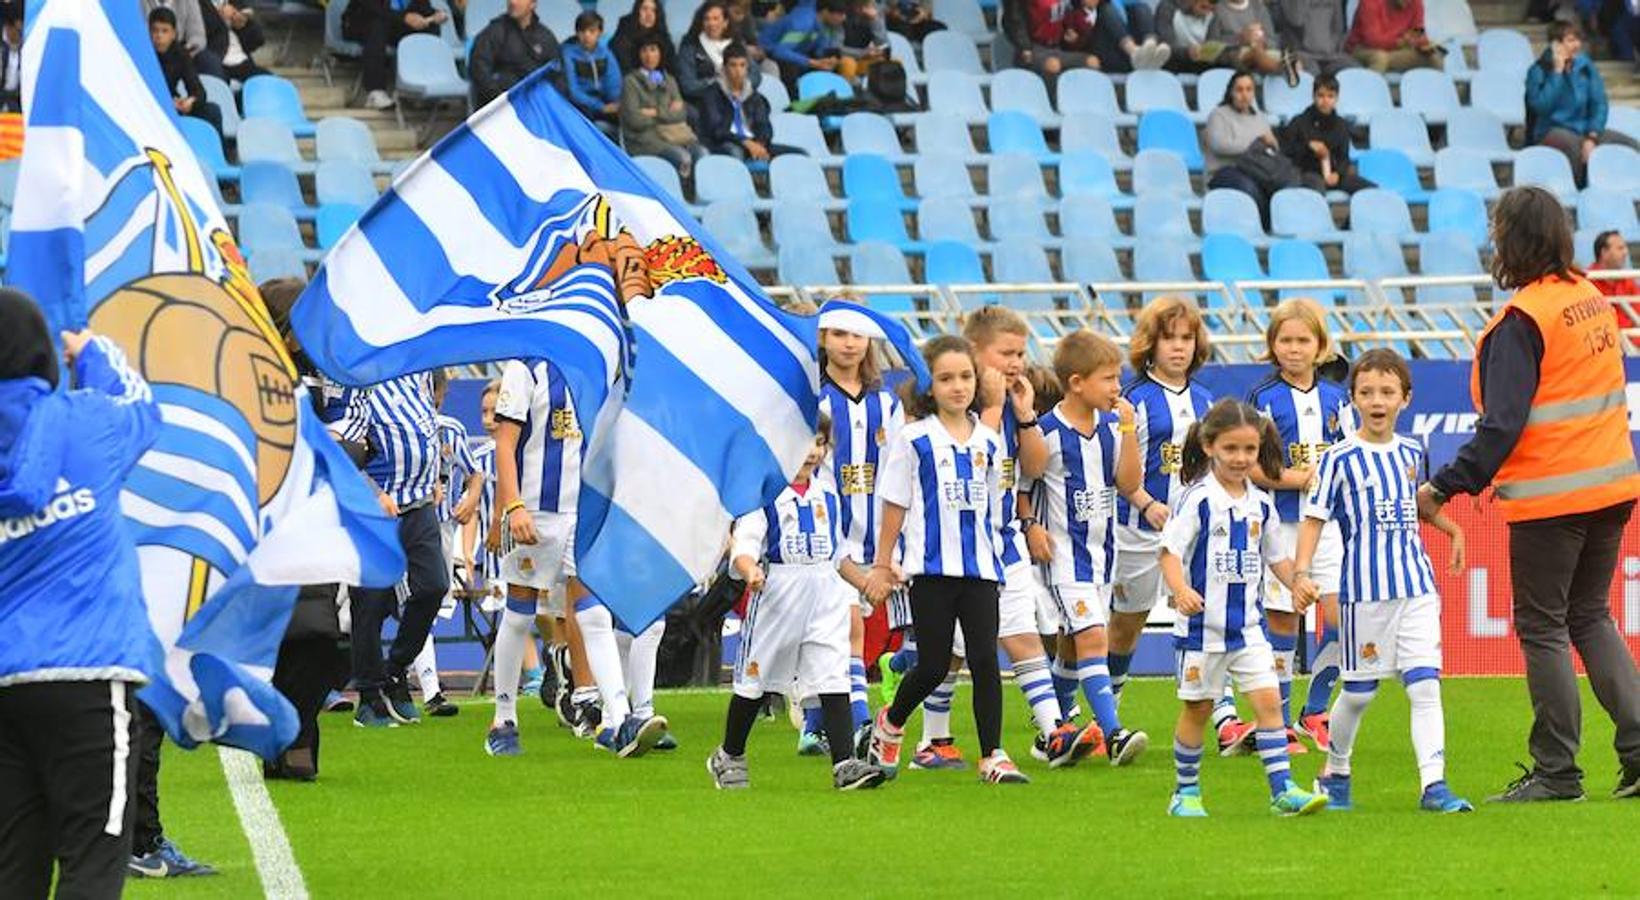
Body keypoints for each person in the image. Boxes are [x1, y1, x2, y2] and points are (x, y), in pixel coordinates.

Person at [1418, 186, 1640, 803]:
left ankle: (1557, 772)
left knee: (1543, 628)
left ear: (1514, 240)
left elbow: (1502, 424)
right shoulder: (1590, 297)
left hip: (1553, 496)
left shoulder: (1522, 320)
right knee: (1591, 617)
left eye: (1498, 230)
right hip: (1612, 485)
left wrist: (1443, 486)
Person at [0, 291, 166, 898]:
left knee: (12, 870)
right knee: (93, 862)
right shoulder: (87, 420)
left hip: (4, 679)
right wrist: (90, 349)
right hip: (90, 671)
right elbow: (143, 407)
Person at [1298, 350, 1475, 814]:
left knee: (1424, 685)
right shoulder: (1338, 458)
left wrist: (1452, 529)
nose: (1377, 401)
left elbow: (1418, 503)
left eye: (1387, 392)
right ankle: (1336, 770)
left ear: (1405, 398)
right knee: (1359, 692)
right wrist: (1301, 572)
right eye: (1367, 392)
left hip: (1416, 586)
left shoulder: (1413, 450)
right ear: (1353, 399)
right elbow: (1314, 519)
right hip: (1363, 594)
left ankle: (1434, 786)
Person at [863, 336, 1030, 785]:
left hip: (980, 571)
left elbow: (996, 506)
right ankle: (891, 721)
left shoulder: (991, 442)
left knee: (985, 659)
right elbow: (894, 503)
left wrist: (1000, 557)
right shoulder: (914, 439)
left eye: (966, 377)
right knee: (934, 664)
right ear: (929, 386)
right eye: (946, 378)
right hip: (931, 572)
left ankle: (993, 755)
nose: (957, 387)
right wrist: (884, 562)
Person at [1158, 399, 1329, 818]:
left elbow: (1277, 557)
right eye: (1231, 449)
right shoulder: (1197, 499)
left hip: (1249, 629)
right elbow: (1169, 551)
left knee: (1269, 703)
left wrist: (1298, 583)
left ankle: (1282, 790)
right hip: (1202, 631)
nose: (1240, 458)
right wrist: (1180, 590)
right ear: (1209, 445)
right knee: (1198, 709)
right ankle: (1186, 792)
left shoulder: (1261, 504)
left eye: (1249, 450)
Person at [708, 417, 892, 791]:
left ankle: (845, 764)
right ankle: (729, 753)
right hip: (779, 595)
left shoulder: (827, 494)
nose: (811, 451)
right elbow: (744, 547)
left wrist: (867, 583)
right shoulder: (763, 495)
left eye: (819, 442)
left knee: (833, 676)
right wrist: (751, 572)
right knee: (753, 683)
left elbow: (838, 554)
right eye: (802, 442)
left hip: (824, 595)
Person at [966, 308, 1093, 770]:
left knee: (1022, 636)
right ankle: (928, 737)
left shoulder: (1015, 407)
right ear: (976, 353)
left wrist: (1023, 416)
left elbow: (1035, 466)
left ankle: (1051, 731)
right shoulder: (961, 404)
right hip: (959, 547)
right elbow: (975, 460)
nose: (1017, 362)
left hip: (1004, 539)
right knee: (951, 656)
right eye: (1006, 353)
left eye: (1021, 352)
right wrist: (996, 407)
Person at [1111, 298, 1240, 739]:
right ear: (1150, 343)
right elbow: (1117, 467)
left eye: (1186, 338)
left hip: (1198, 535)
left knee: (1208, 617)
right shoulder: (1133, 401)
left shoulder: (1208, 401)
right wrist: (1146, 501)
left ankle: (1225, 719)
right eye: (1169, 338)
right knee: (1127, 624)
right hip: (1137, 529)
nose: (1178, 348)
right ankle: (1106, 712)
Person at [1029, 330, 1151, 768]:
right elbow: (1024, 484)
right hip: (1063, 557)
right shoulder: (1046, 431)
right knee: (1094, 639)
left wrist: (1131, 428)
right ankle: (1114, 733)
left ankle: (1053, 733)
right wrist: (1030, 526)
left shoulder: (1111, 428)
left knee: (1071, 649)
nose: (1116, 387)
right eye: (1108, 379)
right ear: (1077, 382)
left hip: (1103, 557)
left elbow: (1130, 483)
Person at [793, 298, 906, 756]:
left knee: (855, 637)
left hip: (876, 541)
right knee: (843, 632)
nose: (849, 343)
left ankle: (818, 723)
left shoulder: (886, 403)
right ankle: (859, 723)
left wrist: (889, 552)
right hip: (829, 540)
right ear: (823, 337)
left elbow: (900, 476)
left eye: (857, 334)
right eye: (839, 333)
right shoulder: (813, 400)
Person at [258, 278, 359, 783]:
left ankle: (295, 733)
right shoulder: (247, 367)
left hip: (317, 513)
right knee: (281, 633)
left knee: (321, 633)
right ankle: (282, 737)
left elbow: (353, 425)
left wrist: (330, 454)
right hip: (263, 519)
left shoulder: (326, 370)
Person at [1245, 299, 1351, 754]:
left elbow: (1349, 454)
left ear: (1320, 346)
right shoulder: (1263, 398)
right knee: (1284, 620)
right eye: (1285, 340)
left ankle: (1316, 708)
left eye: (1303, 340)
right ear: (1272, 346)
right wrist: (1293, 478)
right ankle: (1282, 721)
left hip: (1326, 526)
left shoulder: (1337, 399)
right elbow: (1247, 462)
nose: (1294, 349)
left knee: (1343, 618)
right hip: (1281, 525)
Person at [349, 372, 451, 729]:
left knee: (434, 585)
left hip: (419, 503)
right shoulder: (360, 382)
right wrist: (373, 493)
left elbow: (426, 428)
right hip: (376, 510)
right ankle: (369, 696)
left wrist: (435, 476)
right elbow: (343, 448)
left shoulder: (417, 377)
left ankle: (395, 671)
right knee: (371, 603)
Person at [421, 370, 482, 718]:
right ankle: (426, 687)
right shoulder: (390, 421)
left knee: (425, 601)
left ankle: (420, 685)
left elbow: (475, 472)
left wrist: (471, 498)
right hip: (396, 520)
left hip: (438, 527)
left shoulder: (450, 429)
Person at [1525, 21, 1639, 187]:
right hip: (1551, 130)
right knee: (1573, 147)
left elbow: (1599, 104)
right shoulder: (1539, 70)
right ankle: (1579, 194)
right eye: (1570, 40)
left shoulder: (1586, 67)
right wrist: (1557, 73)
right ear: (1555, 44)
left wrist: (1592, 136)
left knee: (1631, 145)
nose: (1577, 45)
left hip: (1584, 130)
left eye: (1578, 40)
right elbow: (1541, 107)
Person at [1205, 70, 1302, 222]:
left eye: (1249, 89)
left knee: (1288, 182)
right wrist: (1256, 141)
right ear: (1231, 92)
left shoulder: (1259, 118)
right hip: (1225, 170)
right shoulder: (1218, 114)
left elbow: (1272, 148)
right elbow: (1219, 145)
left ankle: (1280, 225)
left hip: (1256, 169)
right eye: (1239, 89)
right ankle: (1264, 227)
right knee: (1249, 187)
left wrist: (1272, 143)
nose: (1244, 94)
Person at [620, 37, 707, 178]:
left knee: (702, 153)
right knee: (683, 158)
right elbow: (634, 120)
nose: (649, 56)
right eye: (644, 51)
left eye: (653, 50)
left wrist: (654, 112)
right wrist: (667, 113)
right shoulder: (630, 82)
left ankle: (696, 194)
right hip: (645, 139)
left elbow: (681, 114)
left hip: (675, 135)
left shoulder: (669, 80)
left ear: (660, 53)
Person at [699, 43, 801, 161]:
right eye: (733, 65)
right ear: (724, 68)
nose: (738, 71)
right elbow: (717, 130)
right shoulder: (712, 94)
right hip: (725, 143)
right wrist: (745, 142)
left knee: (798, 155)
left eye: (742, 65)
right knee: (735, 152)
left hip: (754, 143)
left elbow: (764, 125)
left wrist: (760, 144)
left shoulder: (753, 95)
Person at [1281, 73, 1375, 194]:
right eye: (1320, 96)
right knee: (1317, 188)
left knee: (1369, 189)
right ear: (1313, 96)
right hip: (1307, 173)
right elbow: (1286, 152)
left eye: (1330, 96)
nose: (1325, 101)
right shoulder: (1299, 122)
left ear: (1337, 98)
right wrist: (1307, 147)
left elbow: (1344, 158)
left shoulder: (1341, 125)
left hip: (1334, 175)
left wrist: (1338, 174)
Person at [343, 0, 446, 110]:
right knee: (378, 25)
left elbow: (423, 7)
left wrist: (434, 15)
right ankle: (375, 91)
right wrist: (405, 17)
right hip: (361, 22)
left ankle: (420, 88)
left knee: (430, 27)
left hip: (393, 23)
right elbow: (375, 9)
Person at [469, 0, 563, 108]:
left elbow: (557, 73)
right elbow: (478, 69)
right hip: (502, 105)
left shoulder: (545, 36)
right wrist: (499, 97)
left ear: (533, 4)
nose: (513, 2)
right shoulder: (494, 32)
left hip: (536, 104)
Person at [150, 7, 224, 138]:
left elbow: (198, 90)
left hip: (174, 104)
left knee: (212, 111)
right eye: (155, 30)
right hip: (149, 106)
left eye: (164, 31)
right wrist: (166, 103)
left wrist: (191, 102)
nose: (159, 36)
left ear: (173, 34)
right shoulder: (141, 53)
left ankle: (217, 154)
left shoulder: (181, 54)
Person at [678, 1, 760, 106]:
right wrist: (718, 84)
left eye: (716, 19)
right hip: (706, 102)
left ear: (725, 22)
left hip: (740, 98)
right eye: (707, 19)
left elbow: (755, 74)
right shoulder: (690, 45)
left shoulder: (736, 42)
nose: (711, 23)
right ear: (701, 22)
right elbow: (688, 85)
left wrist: (740, 86)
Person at [1057, 0, 1172, 73]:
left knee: (1141, 7)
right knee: (1106, 9)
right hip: (1106, 57)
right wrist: (1075, 39)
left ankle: (1150, 47)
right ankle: (1134, 52)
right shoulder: (1074, 13)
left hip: (1129, 53)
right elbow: (1074, 44)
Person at [764, 0, 849, 90]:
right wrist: (813, 63)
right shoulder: (804, 23)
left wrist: (828, 59)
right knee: (790, 67)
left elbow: (819, 52)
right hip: (772, 54)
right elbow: (780, 51)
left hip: (798, 56)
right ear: (825, 12)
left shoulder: (823, 28)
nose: (844, 18)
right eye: (840, 14)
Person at [561, 11, 622, 134]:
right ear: (577, 33)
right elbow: (573, 91)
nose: (587, 36)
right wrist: (601, 107)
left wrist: (616, 104)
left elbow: (615, 83)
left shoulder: (606, 53)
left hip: (604, 101)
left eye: (592, 31)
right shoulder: (568, 53)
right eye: (582, 31)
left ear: (599, 33)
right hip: (581, 104)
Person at [1345, 0, 1439, 72]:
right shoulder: (1370, 2)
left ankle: (1436, 95)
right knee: (1380, 58)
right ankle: (1366, 95)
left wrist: (1423, 44)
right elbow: (1373, 40)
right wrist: (1402, 41)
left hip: (1395, 51)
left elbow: (1418, 31)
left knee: (1434, 57)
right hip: (1362, 49)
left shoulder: (1416, 2)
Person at [143, 0, 223, 78]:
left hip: (182, 51)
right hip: (150, 51)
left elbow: (197, 35)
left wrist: (184, 52)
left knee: (210, 61)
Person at [1274, 0, 1355, 76]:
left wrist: (1333, 48)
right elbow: (1296, 19)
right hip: (1300, 53)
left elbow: (1338, 27)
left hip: (1331, 56)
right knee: (1313, 78)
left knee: (1354, 72)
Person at [1205, 0, 1284, 76]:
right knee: (1255, 53)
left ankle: (1286, 68)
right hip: (1232, 55)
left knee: (1280, 55)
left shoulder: (1259, 8)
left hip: (1262, 51)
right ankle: (1282, 71)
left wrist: (1262, 41)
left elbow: (1272, 41)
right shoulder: (1218, 10)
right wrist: (1240, 39)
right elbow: (1209, 48)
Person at [1155, 0, 1235, 74]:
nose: (1206, 13)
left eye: (1211, 9)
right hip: (1174, 60)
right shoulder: (1168, 7)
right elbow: (1166, 45)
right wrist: (1187, 52)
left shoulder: (1212, 15)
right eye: (1203, 7)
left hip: (1199, 62)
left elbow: (1212, 43)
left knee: (1229, 62)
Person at [200, 1, 267, 83]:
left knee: (270, 82)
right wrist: (218, 15)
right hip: (215, 61)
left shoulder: (233, 2)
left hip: (241, 61)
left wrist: (243, 23)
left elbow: (258, 39)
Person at [610, 0, 677, 76]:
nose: (649, 14)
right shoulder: (622, 38)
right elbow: (625, 71)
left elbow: (673, 70)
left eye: (653, 10)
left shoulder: (664, 38)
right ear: (637, 12)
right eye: (644, 9)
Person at [1589, 230, 1638, 328]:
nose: (1625, 252)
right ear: (1604, 252)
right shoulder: (1587, 283)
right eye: (1620, 248)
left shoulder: (1627, 280)